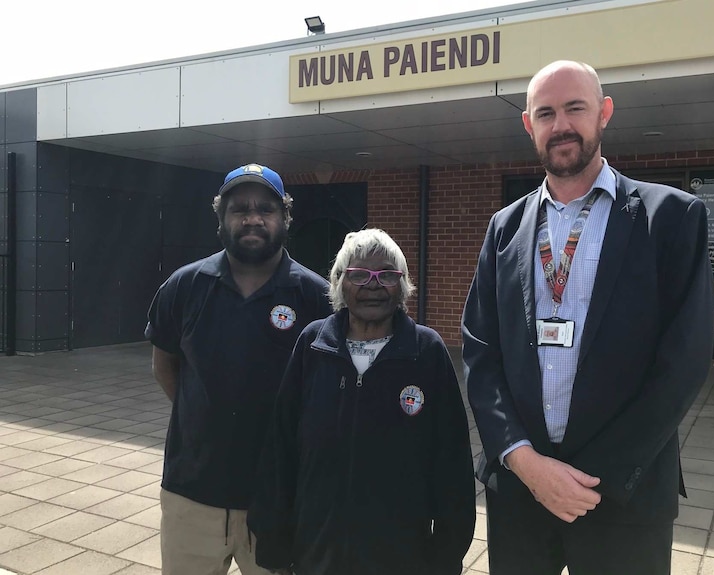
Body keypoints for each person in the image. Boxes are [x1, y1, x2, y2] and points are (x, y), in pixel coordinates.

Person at [461, 60, 714, 575]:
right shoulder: (504, 229)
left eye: (575, 108)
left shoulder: (672, 217)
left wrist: (585, 479)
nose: (561, 125)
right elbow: (480, 354)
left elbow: (683, 363)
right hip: (521, 495)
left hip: (622, 495)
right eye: (546, 113)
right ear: (529, 125)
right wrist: (526, 463)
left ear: (604, 113)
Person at [248, 228, 476, 575]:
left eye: (386, 275)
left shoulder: (427, 352)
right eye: (358, 275)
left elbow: (452, 466)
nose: (373, 285)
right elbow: (280, 450)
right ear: (339, 283)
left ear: (402, 286)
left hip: (402, 558)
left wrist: (446, 558)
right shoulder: (312, 345)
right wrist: (274, 545)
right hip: (317, 553)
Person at [145, 163, 332, 575]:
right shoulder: (184, 286)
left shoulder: (317, 297)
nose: (252, 218)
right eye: (239, 209)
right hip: (191, 493)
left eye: (265, 208)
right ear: (221, 217)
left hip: (279, 497)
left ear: (285, 217)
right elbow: (164, 365)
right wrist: (204, 415)